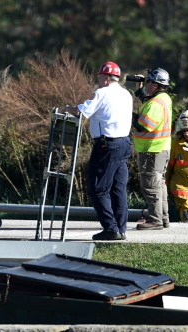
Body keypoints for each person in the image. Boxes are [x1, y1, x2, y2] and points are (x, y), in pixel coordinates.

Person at [60, 61, 134, 241]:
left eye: (100, 77)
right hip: (124, 143)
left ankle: (110, 228)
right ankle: (121, 229)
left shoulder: (101, 93)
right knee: (118, 189)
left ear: (107, 78)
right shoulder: (127, 94)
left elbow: (81, 112)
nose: (99, 80)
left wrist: (65, 109)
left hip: (106, 145)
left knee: (98, 189)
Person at [133, 68, 172, 230]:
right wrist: (139, 85)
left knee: (150, 185)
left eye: (149, 81)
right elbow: (143, 96)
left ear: (155, 85)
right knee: (159, 184)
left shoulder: (155, 103)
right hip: (160, 148)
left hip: (152, 150)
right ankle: (163, 218)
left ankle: (155, 220)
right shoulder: (162, 98)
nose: (147, 84)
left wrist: (130, 116)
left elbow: (143, 126)